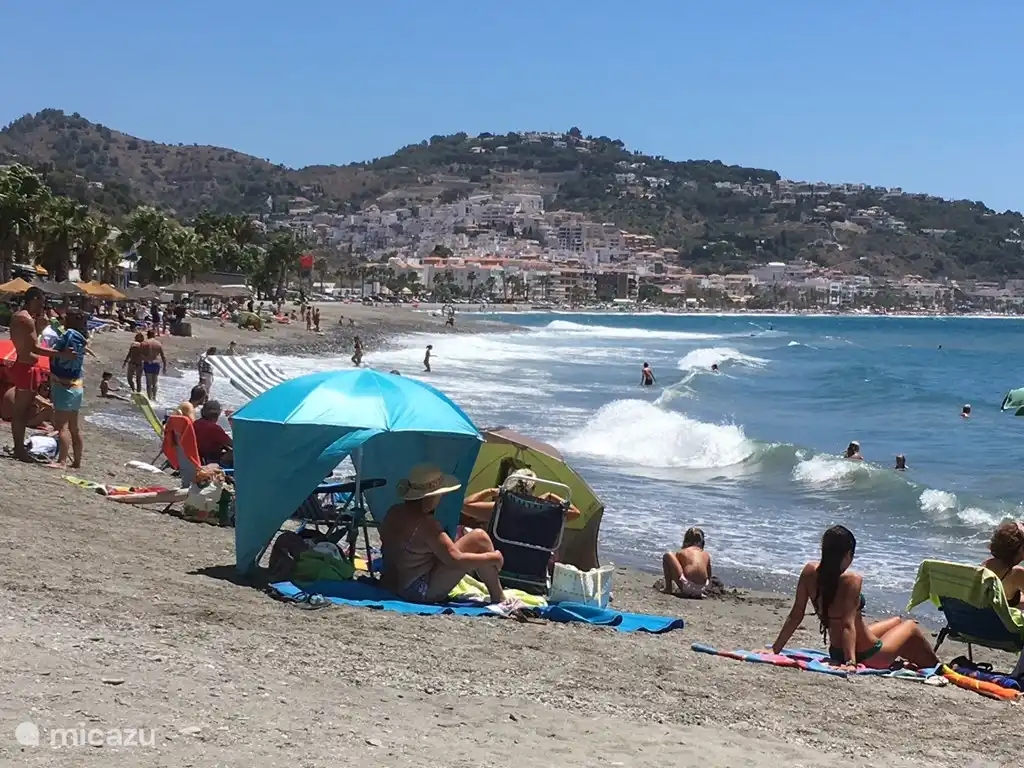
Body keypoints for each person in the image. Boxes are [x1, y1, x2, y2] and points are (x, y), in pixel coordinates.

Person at [771, 525, 938, 670]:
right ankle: (936, 666)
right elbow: (847, 624)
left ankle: (913, 661)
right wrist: (850, 662)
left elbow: (796, 614)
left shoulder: (809, 571)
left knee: (896, 622)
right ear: (847, 555)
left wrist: (775, 649)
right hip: (870, 655)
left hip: (836, 651)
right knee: (910, 626)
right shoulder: (852, 580)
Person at [380, 464, 506, 605]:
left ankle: (498, 596)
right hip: (416, 591)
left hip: (389, 583)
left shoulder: (393, 512)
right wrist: (492, 558)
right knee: (480, 538)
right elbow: (455, 560)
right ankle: (498, 597)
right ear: (431, 497)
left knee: (477, 538)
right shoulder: (427, 524)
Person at [8, 287, 76, 462]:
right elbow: (35, 348)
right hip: (26, 367)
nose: (43, 307)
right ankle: (19, 449)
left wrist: (40, 327)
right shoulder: (25, 319)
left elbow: (29, 344)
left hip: (24, 365)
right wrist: (62, 354)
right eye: (41, 302)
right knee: (21, 412)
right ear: (34, 299)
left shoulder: (21, 317)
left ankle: (18, 448)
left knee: (22, 410)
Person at [461, 468, 581, 525]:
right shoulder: (545, 511)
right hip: (534, 560)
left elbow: (464, 505)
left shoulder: (499, 508)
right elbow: (575, 513)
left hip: (502, 556)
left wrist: (491, 491)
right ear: (533, 488)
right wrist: (551, 496)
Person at [49, 309, 89, 468]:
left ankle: (62, 461)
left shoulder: (68, 335)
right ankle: (77, 461)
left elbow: (57, 354)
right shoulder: (82, 338)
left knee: (61, 426)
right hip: (77, 384)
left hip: (63, 384)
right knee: (74, 428)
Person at [982, 522, 1024, 607]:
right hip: (1003, 615)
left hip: (989, 613)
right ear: (1020, 549)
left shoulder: (987, 564)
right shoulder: (1017, 573)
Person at [662, 527, 711, 598]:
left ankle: (668, 588)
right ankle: (698, 592)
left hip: (687, 587)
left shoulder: (682, 552)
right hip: (701, 589)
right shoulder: (706, 554)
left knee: (668, 555)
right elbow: (709, 576)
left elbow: (677, 570)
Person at [192, 399, 233, 467]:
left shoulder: (196, 423)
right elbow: (234, 445)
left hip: (199, 458)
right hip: (210, 460)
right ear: (218, 414)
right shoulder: (214, 428)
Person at [142, 330, 166, 401]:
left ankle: (149, 399)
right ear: (154, 335)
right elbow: (163, 356)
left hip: (148, 363)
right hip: (156, 363)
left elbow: (140, 354)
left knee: (149, 383)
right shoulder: (158, 343)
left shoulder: (145, 343)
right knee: (155, 382)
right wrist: (164, 366)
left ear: (147, 335)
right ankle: (154, 398)